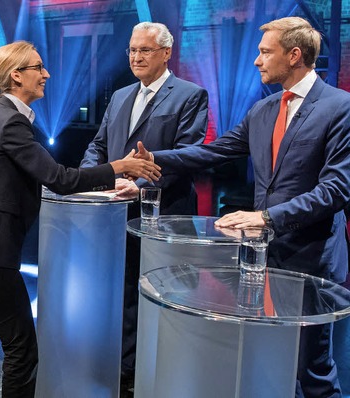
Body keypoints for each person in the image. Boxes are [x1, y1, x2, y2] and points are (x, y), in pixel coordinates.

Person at [0, 40, 161, 398]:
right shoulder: (9, 122)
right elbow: (58, 179)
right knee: (22, 350)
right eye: (39, 67)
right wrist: (119, 167)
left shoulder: (2, 114)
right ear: (16, 76)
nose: (47, 74)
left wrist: (110, 175)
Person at [140, 17, 350, 397]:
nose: (257, 60)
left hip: (310, 260)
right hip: (261, 258)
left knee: (311, 369)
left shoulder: (340, 108)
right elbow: (213, 151)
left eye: (265, 51)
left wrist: (267, 217)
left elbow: (335, 189)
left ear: (295, 55)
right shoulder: (264, 109)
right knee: (264, 361)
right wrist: (154, 158)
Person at [80, 21, 208, 383]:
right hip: (114, 215)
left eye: (145, 50)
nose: (136, 56)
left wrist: (140, 184)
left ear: (166, 53)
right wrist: (95, 178)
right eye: (132, 50)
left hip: (162, 215)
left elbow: (189, 154)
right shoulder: (120, 95)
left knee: (164, 295)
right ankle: (125, 373)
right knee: (122, 294)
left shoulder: (189, 94)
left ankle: (162, 374)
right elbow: (97, 145)